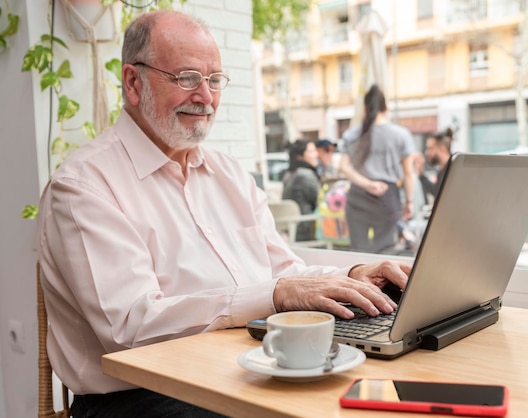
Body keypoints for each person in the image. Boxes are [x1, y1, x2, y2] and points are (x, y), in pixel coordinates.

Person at [37, 10, 411, 418]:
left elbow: (286, 271)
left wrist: (351, 277)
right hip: (138, 397)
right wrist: (275, 294)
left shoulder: (229, 175)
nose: (205, 96)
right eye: (187, 78)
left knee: (384, 397)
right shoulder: (84, 186)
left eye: (214, 80)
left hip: (241, 370)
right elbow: (131, 328)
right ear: (133, 82)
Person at [339, 84, 415, 254]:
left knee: (358, 252)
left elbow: (343, 167)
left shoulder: (352, 134)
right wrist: (409, 201)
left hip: (357, 196)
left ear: (365, 108)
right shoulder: (401, 135)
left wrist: (367, 184)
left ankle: (357, 281)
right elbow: (408, 174)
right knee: (385, 251)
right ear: (385, 107)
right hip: (386, 197)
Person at [282, 138, 320, 241]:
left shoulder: (288, 174)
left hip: (292, 228)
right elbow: (320, 201)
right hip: (307, 229)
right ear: (300, 156)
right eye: (311, 151)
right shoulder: (305, 175)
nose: (317, 154)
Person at [418, 128, 454, 203]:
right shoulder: (442, 171)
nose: (426, 153)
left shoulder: (453, 171)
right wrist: (421, 175)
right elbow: (437, 192)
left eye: (430, 148)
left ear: (443, 149)